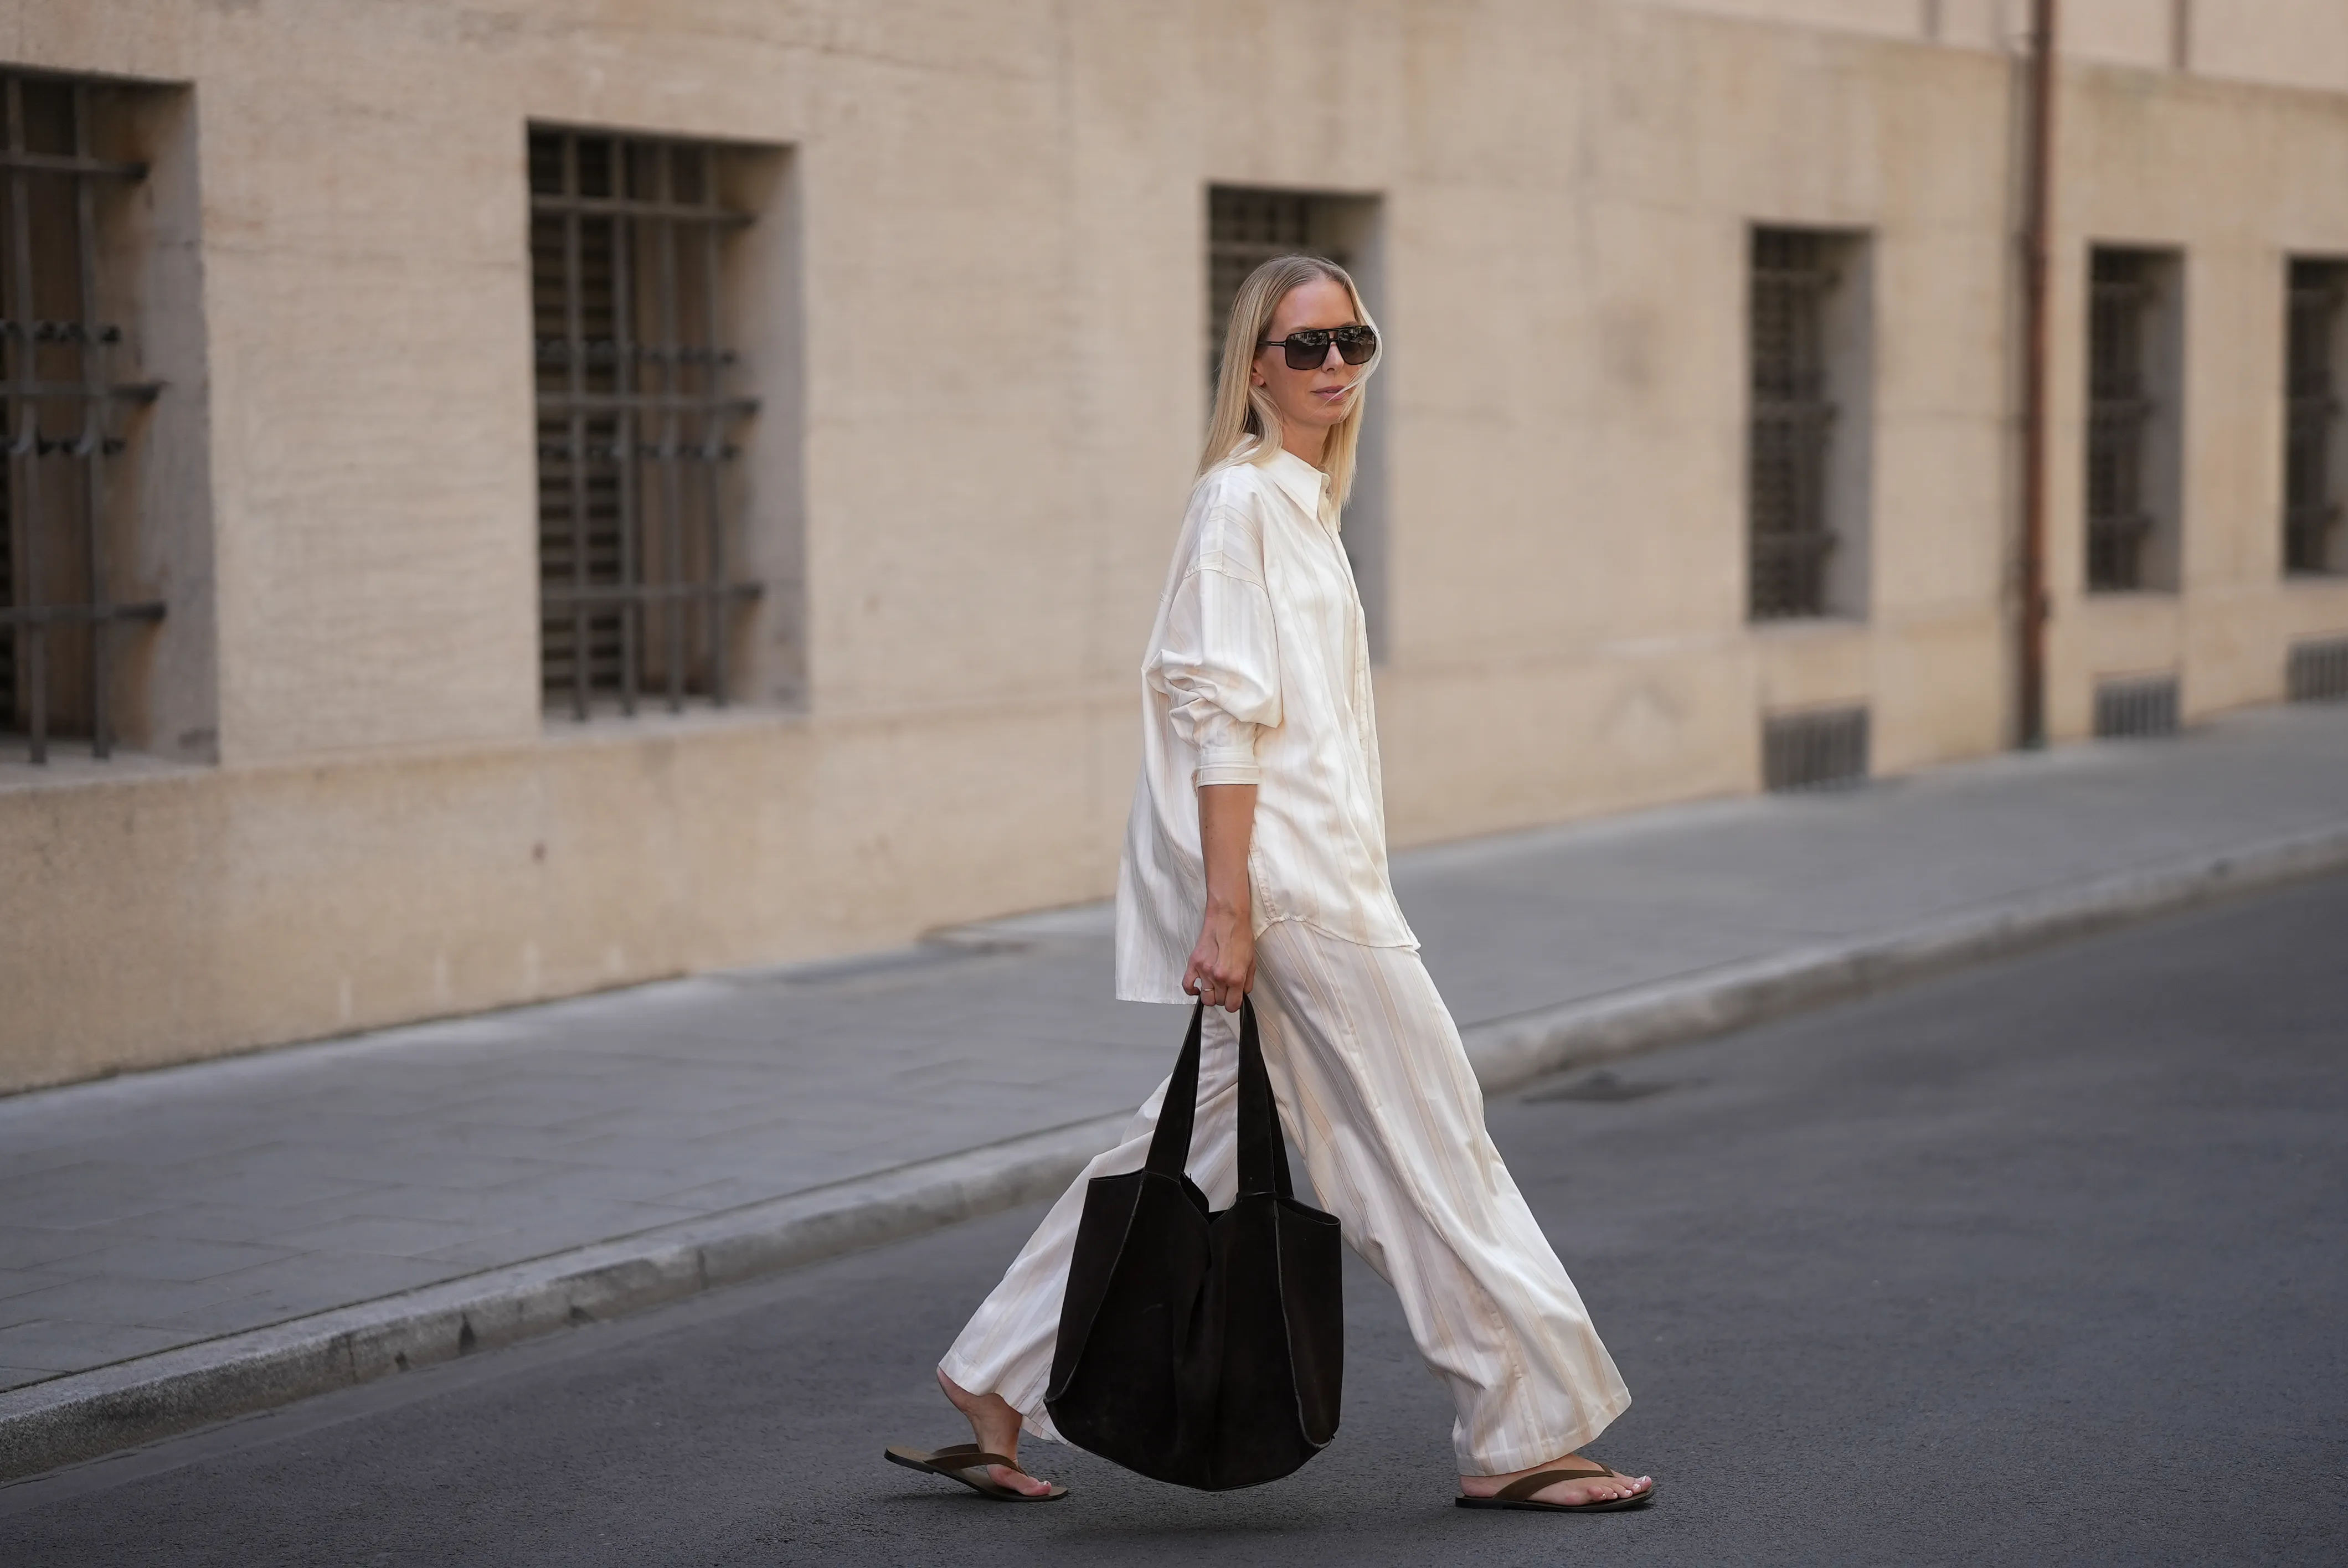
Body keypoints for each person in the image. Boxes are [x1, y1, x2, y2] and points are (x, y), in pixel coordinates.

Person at [888, 255, 1655, 1514]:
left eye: (1352, 340)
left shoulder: (1301, 506)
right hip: (1296, 896)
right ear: (1255, 368)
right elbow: (1218, 717)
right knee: (1430, 1147)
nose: (1335, 365)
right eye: (1305, 347)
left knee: (1188, 1143)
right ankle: (1522, 1430)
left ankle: (993, 1377)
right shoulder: (1237, 502)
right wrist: (1230, 908)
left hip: (1320, 877)